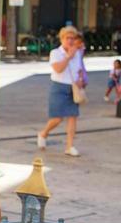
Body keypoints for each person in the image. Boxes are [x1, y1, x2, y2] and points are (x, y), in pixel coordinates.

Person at [37, 25, 86, 156]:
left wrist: (80, 79)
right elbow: (58, 69)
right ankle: (44, 133)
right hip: (58, 87)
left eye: (72, 38)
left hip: (73, 88)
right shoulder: (56, 53)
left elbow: (80, 69)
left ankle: (70, 146)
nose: (70, 41)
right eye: (67, 38)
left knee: (72, 117)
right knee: (57, 118)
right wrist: (68, 57)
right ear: (62, 39)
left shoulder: (78, 53)